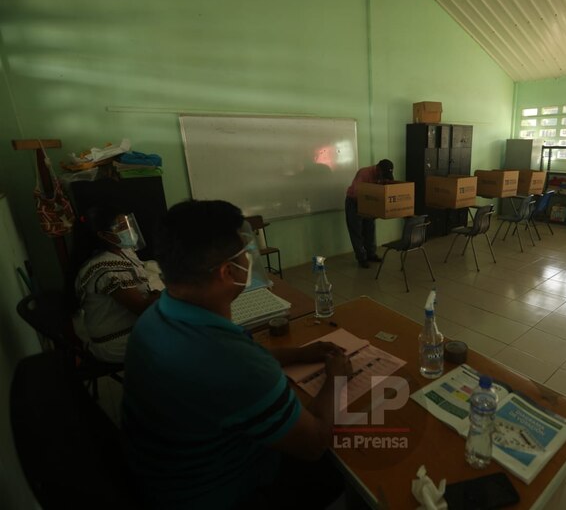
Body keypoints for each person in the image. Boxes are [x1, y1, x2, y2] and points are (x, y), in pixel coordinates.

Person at [121, 199, 351, 509]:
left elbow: (248, 355)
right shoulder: (230, 360)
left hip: (161, 479)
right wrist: (337, 378)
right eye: (246, 253)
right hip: (223, 493)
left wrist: (299, 353)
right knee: (348, 468)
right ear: (228, 272)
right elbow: (314, 442)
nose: (250, 259)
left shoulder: (156, 316)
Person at [68, 205, 160, 363]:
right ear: (104, 235)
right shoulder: (106, 268)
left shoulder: (123, 252)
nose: (129, 229)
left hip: (129, 328)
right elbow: (143, 309)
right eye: (122, 226)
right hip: (114, 343)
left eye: (128, 223)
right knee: (183, 337)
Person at [345, 159, 395, 268]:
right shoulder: (364, 173)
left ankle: (371, 254)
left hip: (369, 202)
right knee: (357, 231)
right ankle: (361, 258)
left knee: (370, 229)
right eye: (384, 174)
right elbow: (356, 192)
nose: (383, 178)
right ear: (378, 169)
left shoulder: (381, 175)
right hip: (354, 202)